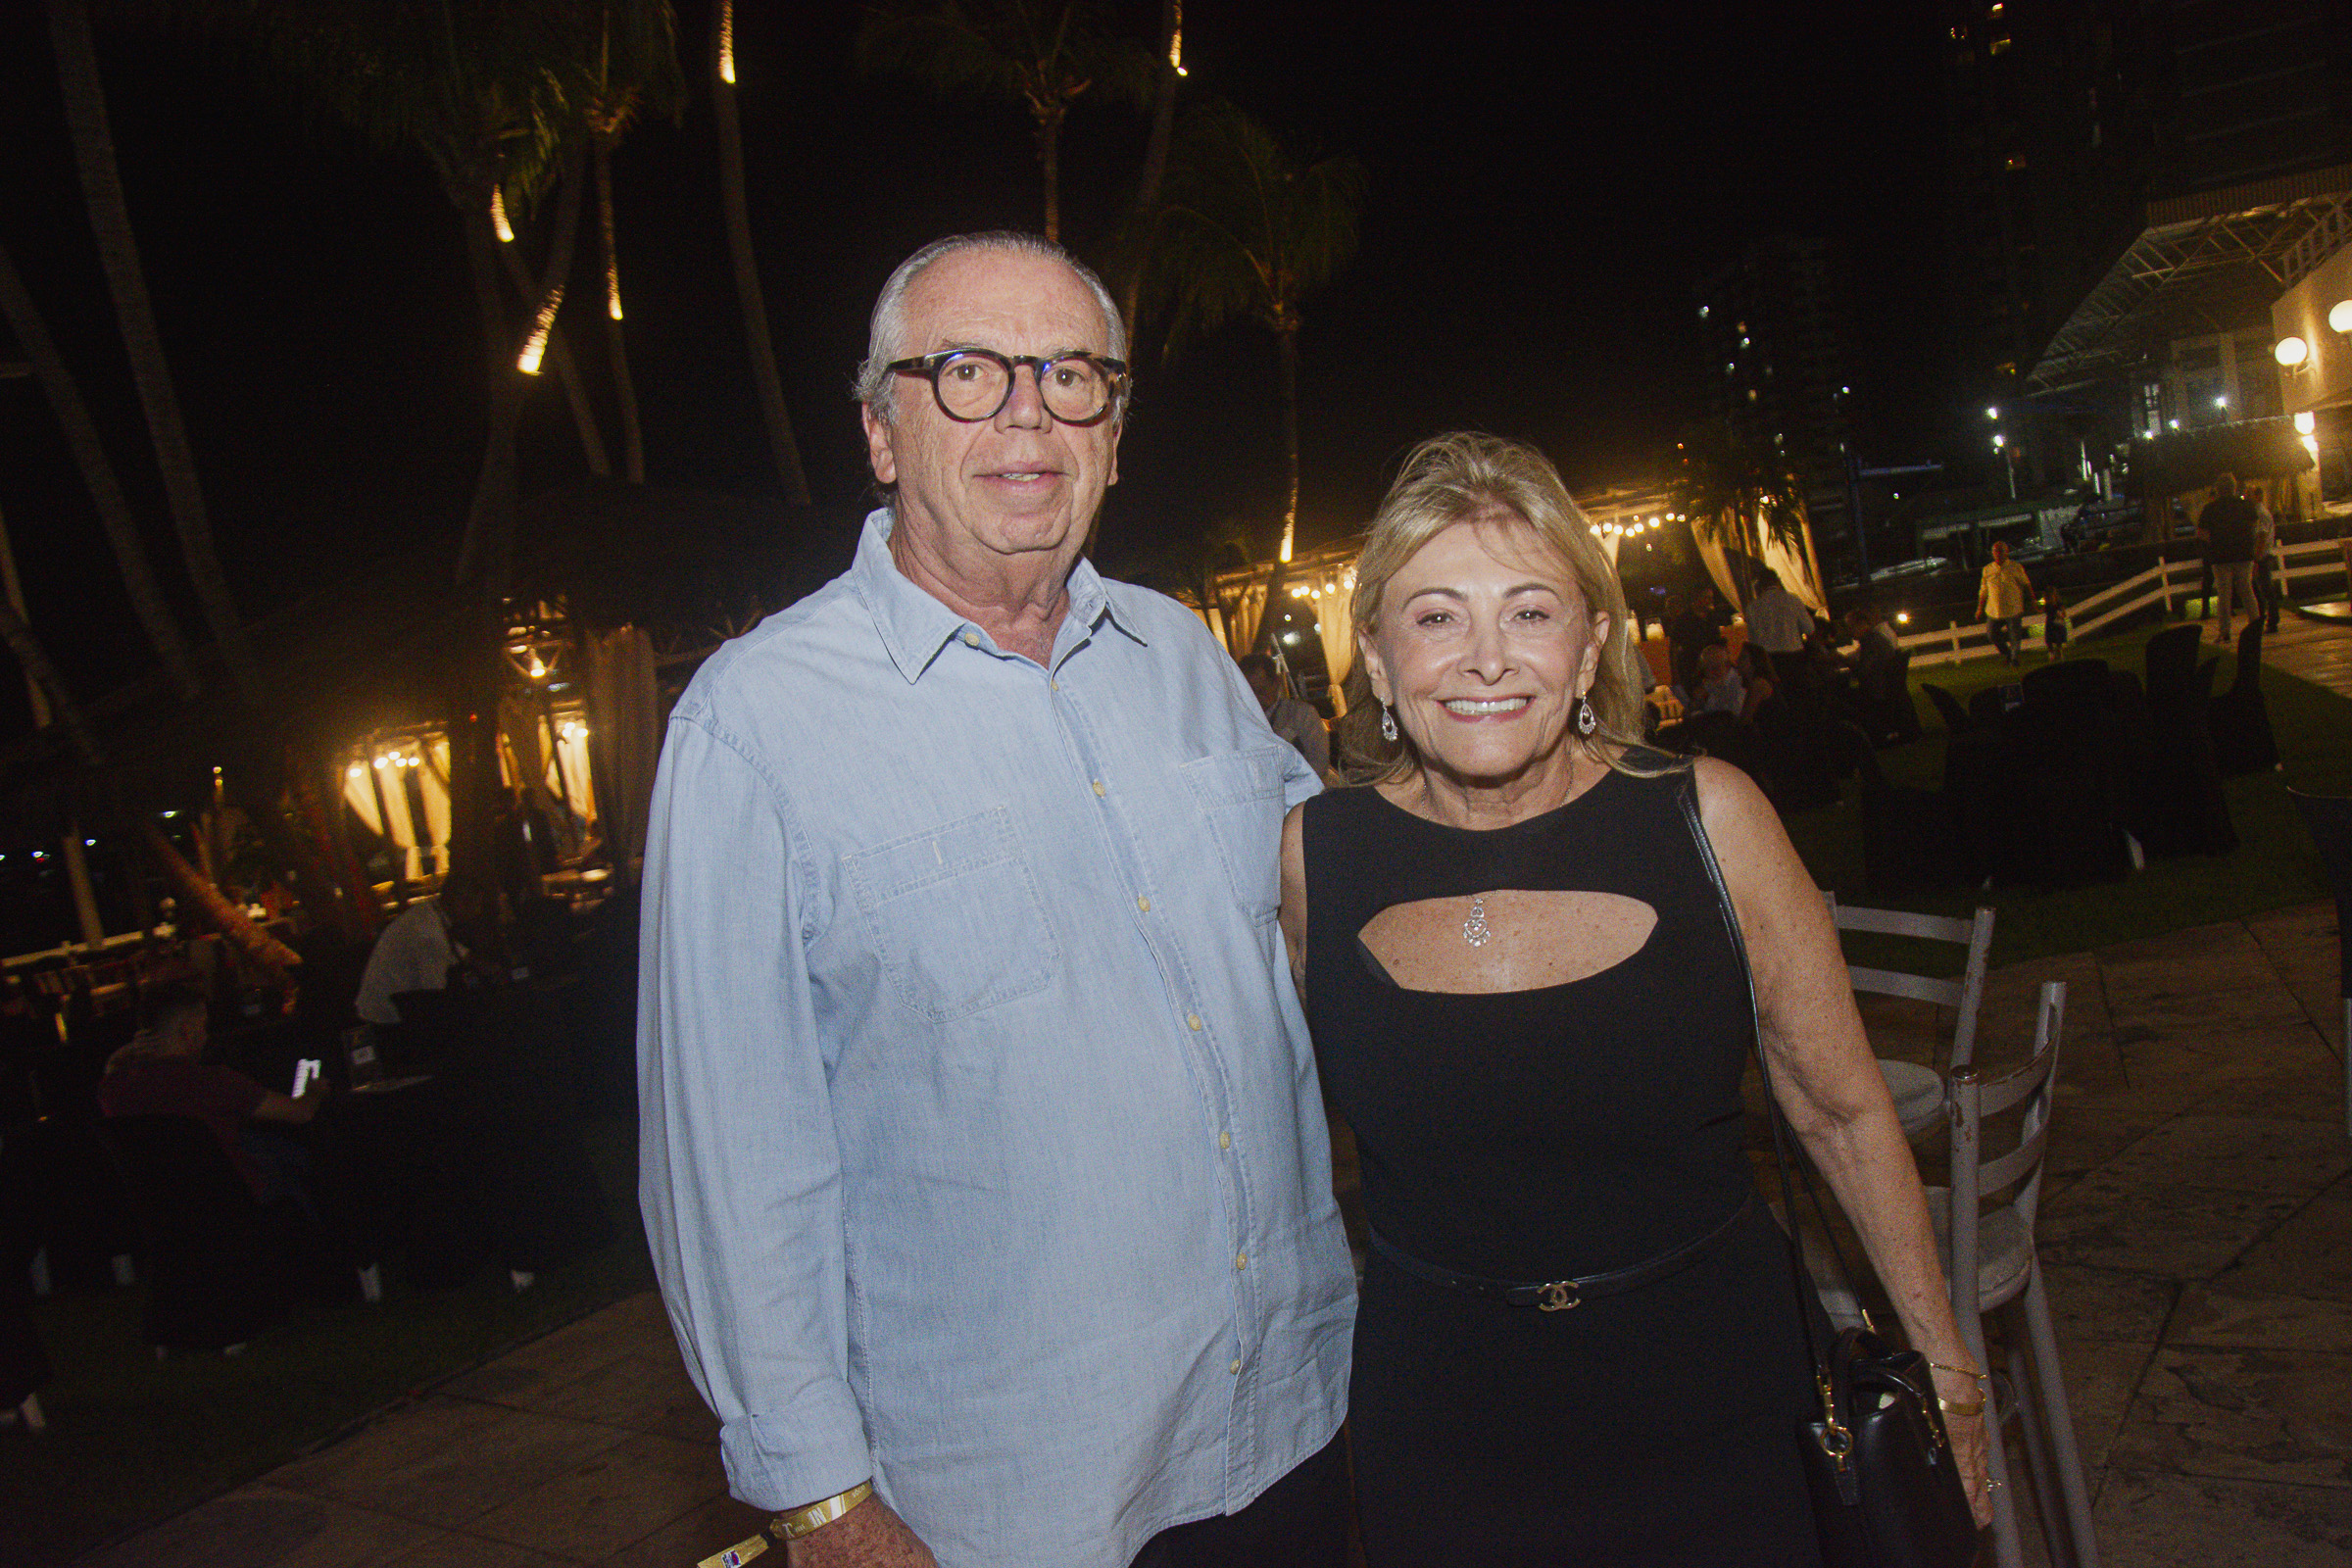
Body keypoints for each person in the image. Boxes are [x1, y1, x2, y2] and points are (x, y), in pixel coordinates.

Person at [637, 233, 1353, 1568]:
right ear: (880, 432)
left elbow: (1335, 929)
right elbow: (730, 1162)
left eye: (1071, 376)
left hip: (1292, 1426)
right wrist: (822, 1503)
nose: (1028, 413)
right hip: (1012, 1506)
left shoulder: (1185, 657)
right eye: (968, 371)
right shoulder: (758, 723)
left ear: (1114, 438)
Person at [1287, 432, 1990, 1565]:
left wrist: (1948, 1368)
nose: (1485, 658)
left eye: (1529, 611)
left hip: (1726, 1404)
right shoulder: (1313, 860)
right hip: (1447, 1430)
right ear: (1374, 655)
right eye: (1436, 616)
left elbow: (1843, 1112)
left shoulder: (1710, 820)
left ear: (1591, 647)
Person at [97, 985, 325, 1205]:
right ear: (187, 1031)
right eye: (203, 1026)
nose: (206, 1036)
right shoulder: (211, 1081)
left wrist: (126, 1053)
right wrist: (314, 1089)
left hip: (163, 1205)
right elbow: (301, 1113)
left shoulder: (114, 1087)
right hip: (233, 1197)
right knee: (296, 1161)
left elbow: (112, 1069)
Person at [351, 873, 496, 1027]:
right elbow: (434, 995)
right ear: (459, 902)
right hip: (386, 1017)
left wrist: (476, 962)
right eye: (475, 905)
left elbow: (449, 947)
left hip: (383, 1005)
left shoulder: (429, 912)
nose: (477, 911)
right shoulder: (429, 934)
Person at [1240, 651, 1332, 777]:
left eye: (1261, 691)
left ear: (1276, 683)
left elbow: (1319, 761)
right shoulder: (1240, 721)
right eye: (1248, 692)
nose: (1255, 698)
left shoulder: (1302, 714)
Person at [2196, 472, 2259, 647]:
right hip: (2243, 553)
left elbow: (2201, 533)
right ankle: (2255, 625)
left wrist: (2216, 540)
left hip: (2220, 555)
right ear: (2234, 487)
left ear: (2218, 489)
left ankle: (2225, 632)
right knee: (2246, 590)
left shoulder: (2210, 508)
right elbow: (2254, 526)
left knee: (2224, 594)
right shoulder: (2245, 505)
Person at [1740, 568, 1812, 677]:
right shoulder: (1793, 600)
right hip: (1795, 656)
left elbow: (1753, 640)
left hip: (1770, 660)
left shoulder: (1753, 607)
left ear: (1759, 585)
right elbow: (1809, 628)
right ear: (1778, 581)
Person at [1975, 540, 2034, 666]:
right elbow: (1983, 591)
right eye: (1995, 551)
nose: (1997, 553)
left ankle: (2014, 659)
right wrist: (1979, 608)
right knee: (1992, 634)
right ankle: (2008, 654)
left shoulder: (2015, 567)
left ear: (2006, 552)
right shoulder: (1987, 569)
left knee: (2014, 636)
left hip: (2013, 608)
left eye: (2000, 551)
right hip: (1994, 610)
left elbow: (2026, 584)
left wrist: (2032, 601)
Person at [1692, 642, 1744, 715]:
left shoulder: (1738, 683)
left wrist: (1707, 698)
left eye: (1715, 668)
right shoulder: (1711, 682)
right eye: (1707, 668)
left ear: (1727, 665)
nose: (1711, 673)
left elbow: (1733, 713)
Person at [2041, 586, 2071, 662]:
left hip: (2057, 623)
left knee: (2058, 640)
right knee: (2049, 640)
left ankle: (2059, 653)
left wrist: (2060, 615)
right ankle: (2052, 654)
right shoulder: (2047, 604)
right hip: (2050, 623)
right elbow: (2043, 611)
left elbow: (2064, 613)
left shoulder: (2058, 603)